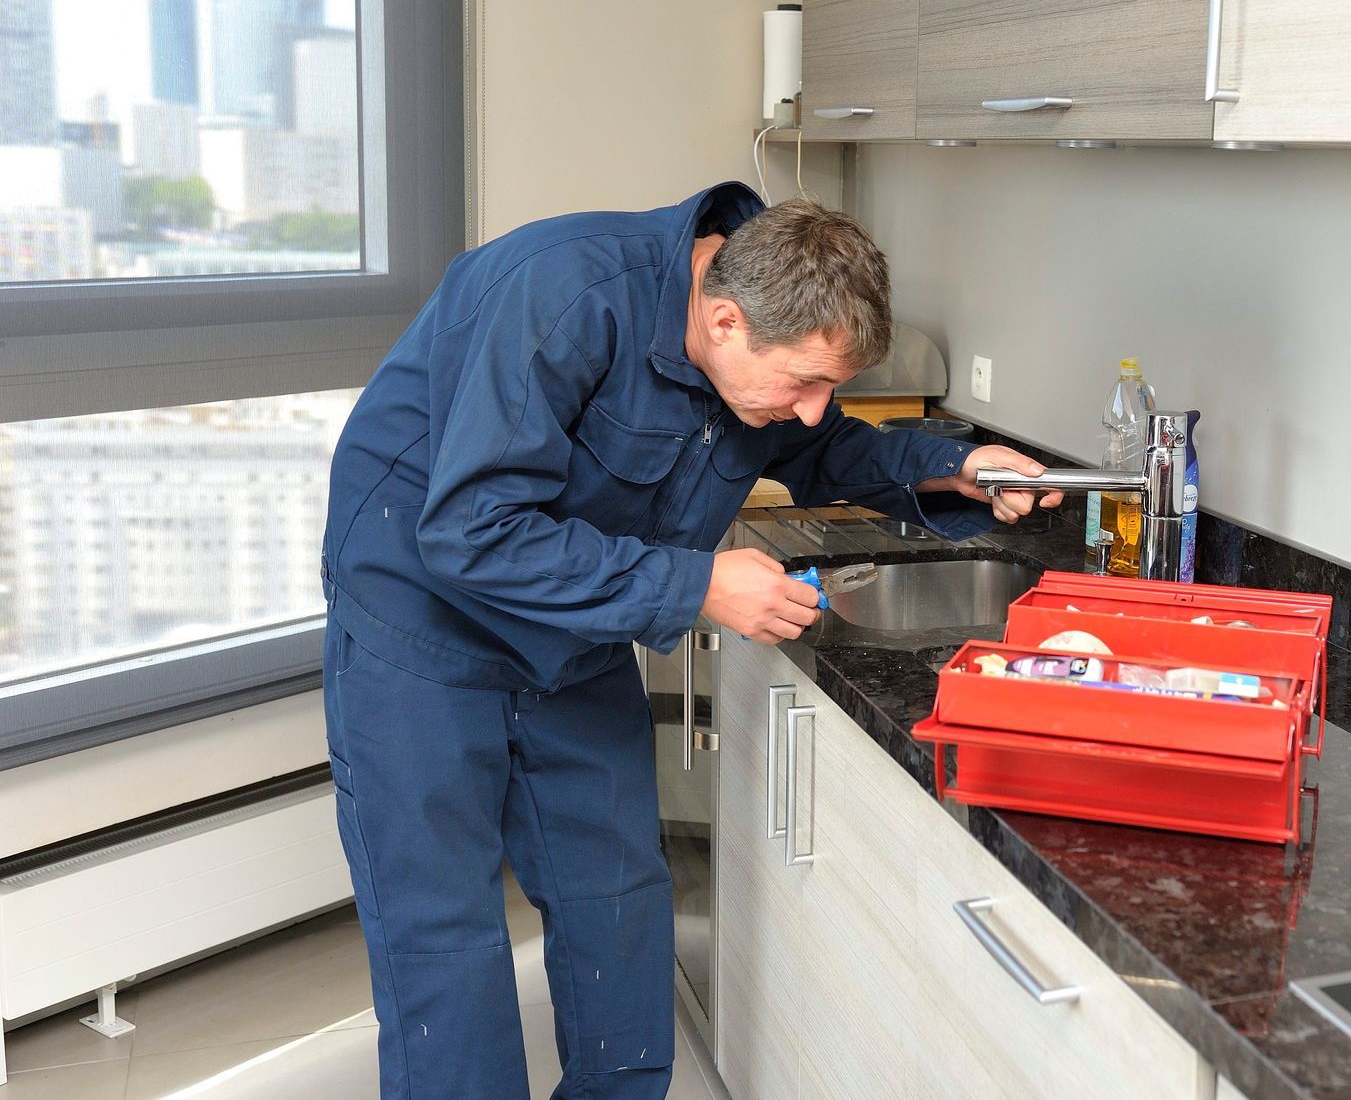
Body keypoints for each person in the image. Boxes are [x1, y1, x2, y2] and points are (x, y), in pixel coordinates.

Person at [319, 184, 1059, 1099]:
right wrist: (699, 583)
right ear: (720, 319)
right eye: (804, 382)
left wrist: (956, 469)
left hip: (573, 631)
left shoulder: (758, 349)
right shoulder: (559, 296)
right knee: (445, 941)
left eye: (833, 385)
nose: (815, 408)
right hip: (421, 624)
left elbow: (822, 451)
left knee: (619, 909)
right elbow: (473, 531)